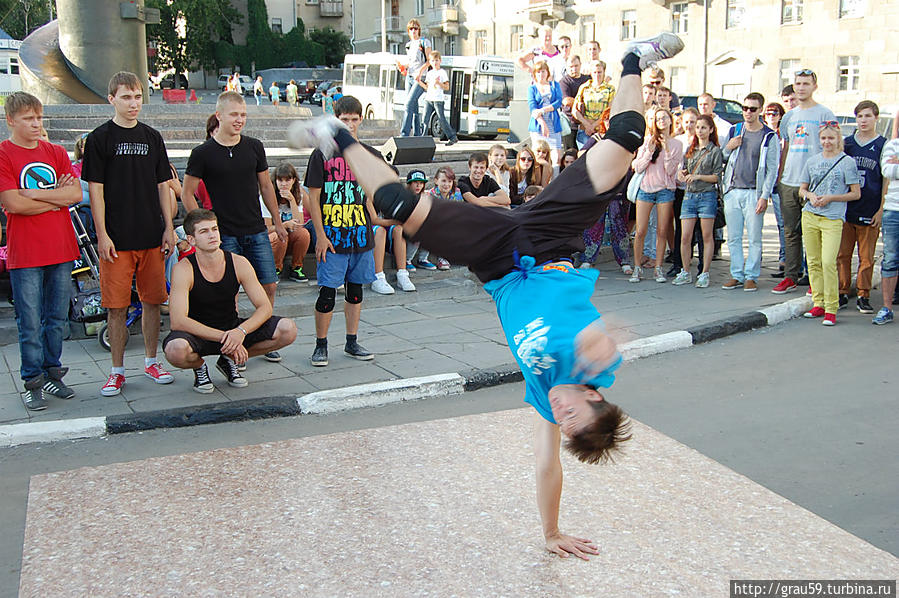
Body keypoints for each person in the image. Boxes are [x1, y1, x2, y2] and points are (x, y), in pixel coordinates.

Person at [287, 31, 685, 559]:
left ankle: (336, 136)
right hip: (552, 240)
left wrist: (551, 533)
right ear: (593, 398)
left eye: (564, 422)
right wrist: (604, 341)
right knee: (628, 136)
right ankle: (635, 58)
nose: (561, 414)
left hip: (499, 261)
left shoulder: (549, 399)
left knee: (397, 206)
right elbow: (600, 341)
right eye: (574, 415)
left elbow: (548, 464)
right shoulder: (593, 370)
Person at [83, 71, 176, 397]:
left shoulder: (152, 137)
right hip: (117, 240)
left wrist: (168, 228)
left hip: (152, 235)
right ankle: (117, 370)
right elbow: (96, 191)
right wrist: (103, 234)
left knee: (153, 302)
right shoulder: (99, 139)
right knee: (117, 307)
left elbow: (163, 185)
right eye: (126, 97)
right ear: (112, 99)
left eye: (137, 97)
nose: (133, 103)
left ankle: (151, 361)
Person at [182, 91, 287, 362]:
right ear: (219, 116)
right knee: (230, 292)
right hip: (224, 233)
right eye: (234, 115)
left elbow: (266, 185)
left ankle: (260, 334)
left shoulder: (254, 146)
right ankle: (229, 343)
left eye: (243, 115)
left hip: (254, 228)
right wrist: (203, 228)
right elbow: (187, 193)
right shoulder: (203, 153)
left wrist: (277, 221)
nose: (240, 120)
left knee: (269, 284)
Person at [0, 92, 82, 410]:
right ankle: (32, 380)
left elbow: (74, 194)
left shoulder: (56, 151)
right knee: (30, 321)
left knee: (56, 317)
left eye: (38, 117)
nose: (36, 124)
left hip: (60, 248)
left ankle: (52, 372)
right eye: (28, 119)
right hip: (26, 252)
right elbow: (11, 203)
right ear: (11, 120)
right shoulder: (5, 154)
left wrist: (33, 194)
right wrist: (53, 196)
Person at [163, 210, 297, 393]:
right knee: (175, 350)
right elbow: (178, 320)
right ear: (191, 239)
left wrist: (241, 332)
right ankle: (199, 366)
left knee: (288, 329)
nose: (212, 235)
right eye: (204, 232)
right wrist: (227, 338)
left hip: (232, 327)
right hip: (197, 334)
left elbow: (264, 306)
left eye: (214, 229)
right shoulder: (183, 269)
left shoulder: (238, 262)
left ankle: (228, 360)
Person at [304, 95, 382, 367]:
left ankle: (351, 341)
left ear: (361, 119)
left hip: (361, 235)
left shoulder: (370, 154)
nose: (349, 124)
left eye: (354, 119)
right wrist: (320, 235)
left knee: (356, 291)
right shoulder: (322, 154)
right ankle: (321, 345)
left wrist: (380, 220)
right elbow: (313, 199)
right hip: (333, 236)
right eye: (344, 119)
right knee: (327, 292)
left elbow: (373, 195)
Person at [773, 69, 836, 295]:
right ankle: (791, 276)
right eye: (798, 83)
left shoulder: (824, 114)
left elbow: (834, 147)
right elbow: (786, 147)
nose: (801, 87)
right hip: (789, 181)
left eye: (806, 83)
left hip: (814, 183)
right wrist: (780, 177)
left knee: (814, 232)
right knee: (790, 231)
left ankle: (814, 278)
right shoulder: (789, 116)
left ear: (814, 86)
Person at [798, 122, 860, 325]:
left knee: (828, 262)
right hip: (810, 214)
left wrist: (832, 198)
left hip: (833, 218)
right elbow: (802, 189)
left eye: (831, 138)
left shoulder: (847, 162)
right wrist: (810, 195)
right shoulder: (812, 161)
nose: (827, 142)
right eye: (824, 138)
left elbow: (855, 193)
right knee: (813, 262)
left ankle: (832, 307)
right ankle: (819, 302)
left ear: (838, 139)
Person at [720, 92, 780, 292]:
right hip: (733, 190)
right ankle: (736, 274)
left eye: (752, 109)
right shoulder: (735, 130)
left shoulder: (768, 136)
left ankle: (751, 276)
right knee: (734, 237)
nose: (747, 112)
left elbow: (772, 169)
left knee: (754, 237)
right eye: (745, 108)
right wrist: (728, 148)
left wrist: (765, 195)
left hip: (754, 192)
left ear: (760, 110)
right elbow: (722, 157)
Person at [837, 101, 886, 313]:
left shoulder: (883, 144)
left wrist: (881, 209)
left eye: (867, 116)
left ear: (876, 118)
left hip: (870, 207)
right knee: (842, 254)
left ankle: (864, 294)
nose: (863, 120)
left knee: (866, 257)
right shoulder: (847, 144)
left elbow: (886, 180)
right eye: (860, 116)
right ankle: (842, 291)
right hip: (847, 207)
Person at [630, 108, 683, 283]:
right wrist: (649, 152)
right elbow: (637, 167)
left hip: (665, 191)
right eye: (658, 118)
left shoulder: (676, 144)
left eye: (664, 118)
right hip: (646, 189)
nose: (661, 121)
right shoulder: (647, 141)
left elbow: (670, 171)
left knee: (662, 231)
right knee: (640, 230)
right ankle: (637, 267)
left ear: (670, 120)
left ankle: (658, 268)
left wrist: (666, 150)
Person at [670, 115, 722, 288]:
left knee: (706, 236)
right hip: (689, 196)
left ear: (711, 130)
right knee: (685, 236)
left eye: (703, 127)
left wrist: (698, 176)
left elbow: (717, 176)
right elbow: (683, 169)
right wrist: (681, 174)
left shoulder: (714, 151)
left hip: (706, 195)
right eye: (698, 127)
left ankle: (705, 272)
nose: (699, 130)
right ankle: (685, 271)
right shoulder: (690, 150)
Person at [371, 171, 419, 294]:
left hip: (388, 232)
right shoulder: (369, 192)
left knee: (399, 230)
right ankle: (378, 276)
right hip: (371, 230)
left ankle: (402, 274)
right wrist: (397, 221)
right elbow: (374, 220)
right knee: (381, 230)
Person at [264, 162, 311, 283]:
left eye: (287, 180)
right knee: (280, 235)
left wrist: (292, 201)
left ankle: (296, 268)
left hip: (289, 238)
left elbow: (299, 223)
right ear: (275, 181)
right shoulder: (266, 197)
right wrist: (283, 226)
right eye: (280, 180)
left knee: (304, 234)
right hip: (272, 240)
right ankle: (275, 269)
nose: (284, 184)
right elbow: (266, 229)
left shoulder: (297, 194)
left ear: (294, 180)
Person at [669, 106, 699, 277]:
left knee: (698, 230)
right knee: (680, 229)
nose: (689, 125)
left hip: (696, 189)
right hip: (679, 189)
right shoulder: (678, 140)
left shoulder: (701, 140)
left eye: (692, 122)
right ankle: (678, 263)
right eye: (686, 122)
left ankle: (700, 264)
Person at [874, 136, 899, 324]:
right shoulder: (892, 145)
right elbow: (888, 170)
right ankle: (887, 308)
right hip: (893, 210)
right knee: (890, 259)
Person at [764, 102, 788, 276]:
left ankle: (785, 258)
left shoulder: (783, 135)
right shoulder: (763, 134)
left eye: (775, 113)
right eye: (769, 113)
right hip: (763, 183)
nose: (771, 116)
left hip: (780, 183)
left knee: (783, 223)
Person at [416, 51, 458, 145]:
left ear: (440, 61)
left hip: (438, 100)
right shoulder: (430, 73)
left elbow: (447, 87)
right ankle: (422, 138)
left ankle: (452, 137)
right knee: (425, 119)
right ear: (430, 62)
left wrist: (439, 83)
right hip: (429, 99)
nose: (435, 62)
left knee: (441, 119)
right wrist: (419, 82)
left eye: (437, 60)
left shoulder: (442, 73)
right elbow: (427, 87)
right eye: (433, 60)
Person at [424, 166, 462, 269]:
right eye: (443, 181)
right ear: (436, 181)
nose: (447, 184)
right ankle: (443, 258)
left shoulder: (457, 193)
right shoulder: (430, 195)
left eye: (450, 181)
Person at [527, 61, 564, 168]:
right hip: (538, 125)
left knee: (556, 157)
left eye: (543, 71)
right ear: (534, 74)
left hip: (553, 123)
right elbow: (532, 107)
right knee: (538, 156)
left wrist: (543, 110)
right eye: (538, 72)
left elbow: (558, 102)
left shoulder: (554, 85)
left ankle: (555, 182)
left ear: (547, 72)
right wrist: (542, 123)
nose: (541, 74)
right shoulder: (532, 88)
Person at [572, 60, 616, 150]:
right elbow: (575, 110)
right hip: (585, 130)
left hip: (601, 130)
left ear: (604, 72)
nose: (597, 75)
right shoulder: (584, 87)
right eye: (595, 72)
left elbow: (609, 110)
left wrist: (594, 125)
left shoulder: (610, 89)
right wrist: (587, 125)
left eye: (599, 72)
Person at [398, 19, 431, 137]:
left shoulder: (424, 42)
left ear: (419, 30)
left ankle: (404, 134)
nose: (413, 31)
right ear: (408, 31)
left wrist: (420, 72)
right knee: (414, 107)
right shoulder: (409, 45)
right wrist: (403, 67)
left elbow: (429, 61)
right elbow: (411, 63)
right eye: (411, 29)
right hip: (410, 77)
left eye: (416, 28)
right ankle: (417, 134)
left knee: (408, 103)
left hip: (421, 78)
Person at [559, 55, 590, 150]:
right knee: (570, 154)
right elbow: (566, 101)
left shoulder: (588, 80)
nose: (574, 69)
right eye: (571, 67)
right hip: (570, 124)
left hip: (587, 123)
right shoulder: (564, 81)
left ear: (580, 65)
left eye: (576, 66)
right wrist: (581, 103)